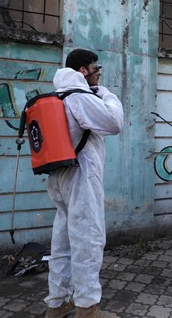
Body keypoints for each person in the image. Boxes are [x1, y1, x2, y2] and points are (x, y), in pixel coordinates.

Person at [44, 49, 124, 318]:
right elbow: (113, 123)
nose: (98, 73)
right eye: (95, 68)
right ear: (83, 70)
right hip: (81, 175)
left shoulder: (58, 95)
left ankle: (56, 303)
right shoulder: (79, 96)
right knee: (88, 239)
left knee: (63, 242)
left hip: (59, 175)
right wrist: (105, 94)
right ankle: (87, 308)